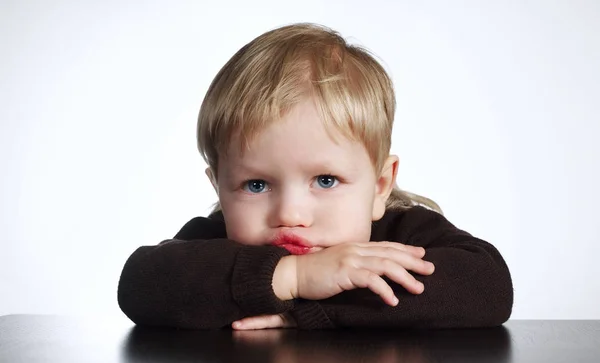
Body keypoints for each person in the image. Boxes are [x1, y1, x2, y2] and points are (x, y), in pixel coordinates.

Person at [117, 23, 513, 330]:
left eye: (325, 180)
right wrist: (292, 276)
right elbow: (140, 284)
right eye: (256, 185)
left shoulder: (405, 231)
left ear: (379, 187)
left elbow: (488, 287)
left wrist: (305, 311)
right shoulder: (216, 242)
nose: (290, 214)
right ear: (219, 187)